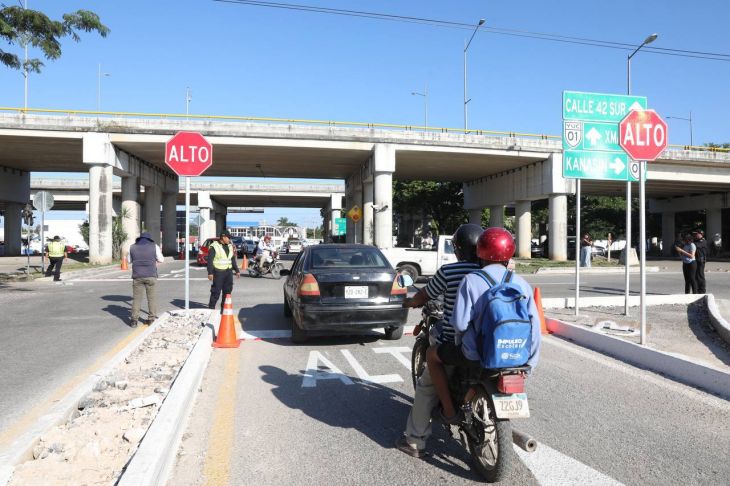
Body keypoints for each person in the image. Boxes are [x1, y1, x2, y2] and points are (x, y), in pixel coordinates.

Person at [426, 227, 542, 424]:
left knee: (432, 354)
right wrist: (529, 363)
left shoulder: (471, 280)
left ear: (481, 251)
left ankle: (448, 411)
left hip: (475, 354)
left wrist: (462, 347)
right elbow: (535, 328)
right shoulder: (521, 283)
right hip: (517, 357)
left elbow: (460, 324)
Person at [395, 224, 483, 457]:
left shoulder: (450, 271)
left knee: (426, 386)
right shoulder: (491, 270)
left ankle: (414, 441)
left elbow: (425, 295)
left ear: (458, 249)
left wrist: (411, 302)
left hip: (457, 343)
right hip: (489, 341)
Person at [128, 232, 164, 328]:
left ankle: (134, 321)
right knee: (151, 298)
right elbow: (161, 260)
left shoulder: (132, 247)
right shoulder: (154, 246)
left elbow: (129, 261)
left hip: (137, 276)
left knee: (137, 299)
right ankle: (151, 319)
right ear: (149, 239)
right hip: (151, 275)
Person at [207, 230, 240, 311]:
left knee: (227, 291)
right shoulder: (214, 246)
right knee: (216, 292)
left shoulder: (230, 246)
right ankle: (211, 308)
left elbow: (232, 259)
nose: (229, 239)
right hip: (218, 272)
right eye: (228, 238)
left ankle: (223, 309)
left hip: (228, 272)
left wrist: (237, 270)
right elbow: (210, 260)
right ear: (223, 237)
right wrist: (210, 272)